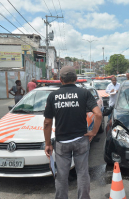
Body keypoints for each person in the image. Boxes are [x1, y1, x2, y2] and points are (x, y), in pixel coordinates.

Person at [43, 66, 102, 199]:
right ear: (75, 79)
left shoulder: (52, 96)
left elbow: (47, 123)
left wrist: (48, 143)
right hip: (81, 139)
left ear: (60, 79)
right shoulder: (84, 93)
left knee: (62, 175)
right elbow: (98, 114)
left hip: (62, 142)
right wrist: (93, 132)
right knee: (82, 173)